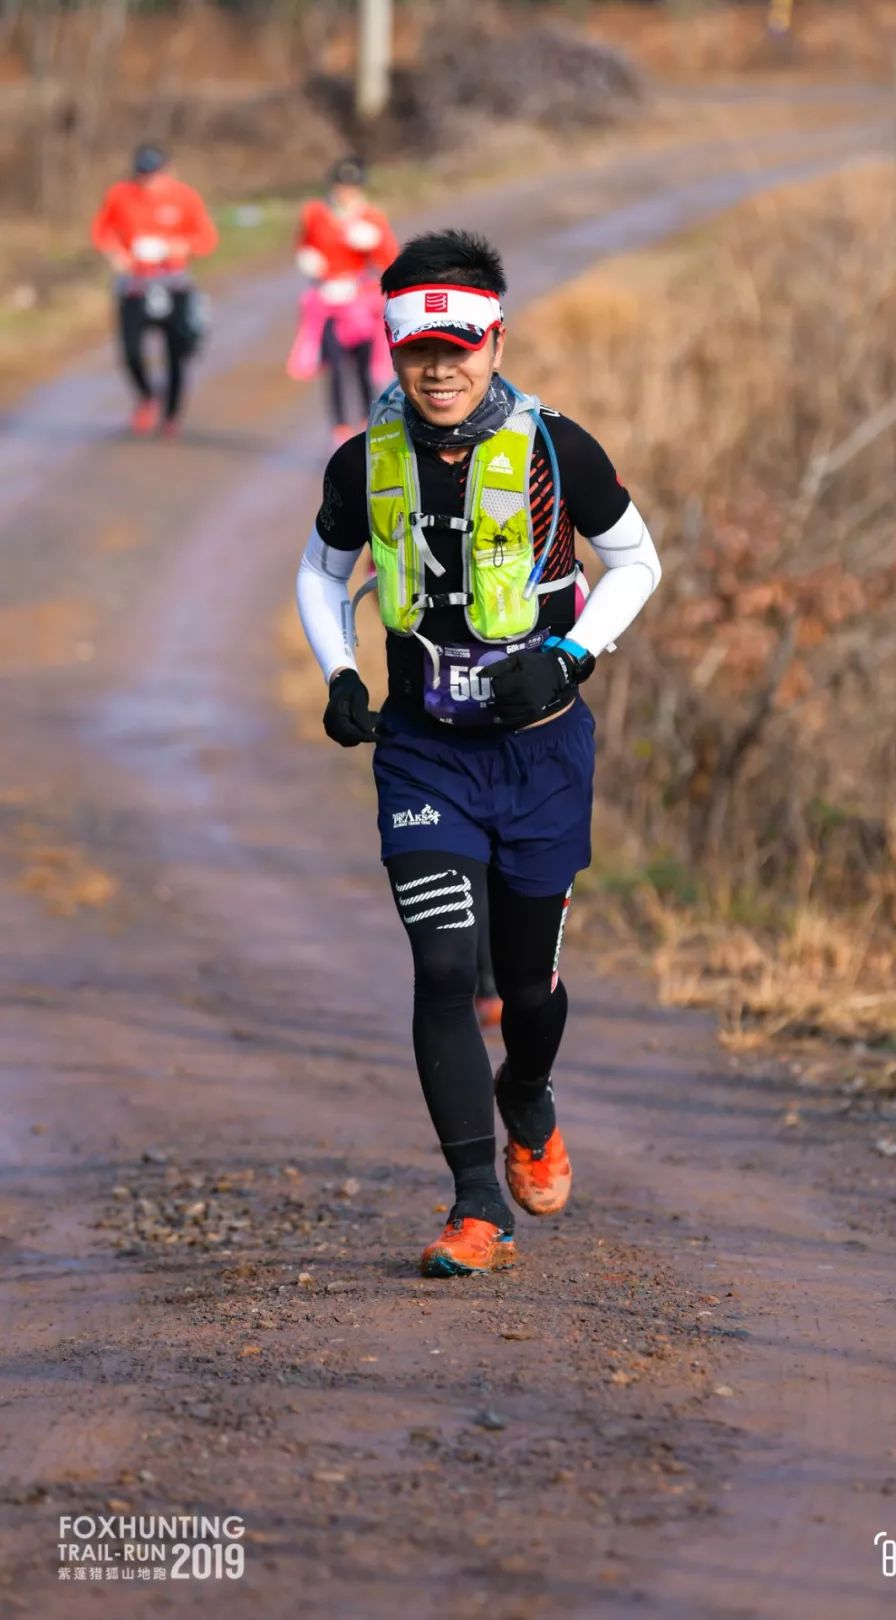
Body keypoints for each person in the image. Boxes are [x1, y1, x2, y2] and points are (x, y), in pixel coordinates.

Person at [296, 230, 661, 1277]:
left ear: (496, 343)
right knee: (445, 967)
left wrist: (573, 657)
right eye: (418, 352)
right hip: (425, 755)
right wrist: (339, 672)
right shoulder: (364, 461)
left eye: (458, 349)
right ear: (393, 351)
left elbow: (637, 561)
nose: (439, 371)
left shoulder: (557, 450)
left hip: (541, 755)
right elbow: (322, 573)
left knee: (529, 994)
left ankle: (528, 1097)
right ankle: (475, 1207)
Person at [91, 144, 217, 437]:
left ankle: (171, 415)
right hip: (134, 284)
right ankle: (147, 397)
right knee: (130, 351)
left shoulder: (186, 197)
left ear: (169, 171)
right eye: (143, 173)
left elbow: (207, 240)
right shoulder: (120, 194)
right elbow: (101, 232)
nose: (148, 180)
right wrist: (116, 255)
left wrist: (180, 247)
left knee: (177, 351)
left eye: (154, 173)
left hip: (174, 284)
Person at [290, 156, 398, 447]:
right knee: (336, 368)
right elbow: (304, 245)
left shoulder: (372, 218)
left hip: (362, 303)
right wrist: (307, 259)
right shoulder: (315, 214)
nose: (345, 193)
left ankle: (367, 424)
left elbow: (390, 260)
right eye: (340, 186)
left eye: (351, 187)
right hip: (327, 302)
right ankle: (339, 429)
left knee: (364, 369)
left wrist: (374, 243)